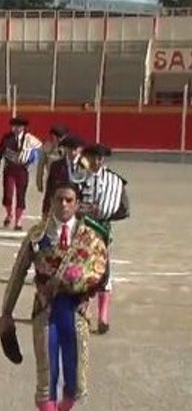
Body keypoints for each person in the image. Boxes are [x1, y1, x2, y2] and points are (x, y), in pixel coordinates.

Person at [0, 181, 109, 411]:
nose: (63, 205)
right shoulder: (36, 236)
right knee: (46, 379)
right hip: (45, 314)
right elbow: (17, 274)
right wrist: (6, 313)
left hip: (76, 314)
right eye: (59, 199)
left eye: (69, 200)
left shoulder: (92, 238)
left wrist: (76, 282)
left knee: (76, 381)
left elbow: (100, 272)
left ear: (77, 203)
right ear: (51, 202)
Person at [77, 143, 130, 334]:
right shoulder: (78, 177)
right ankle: (86, 311)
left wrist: (107, 213)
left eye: (100, 158)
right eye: (94, 157)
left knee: (103, 270)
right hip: (81, 229)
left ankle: (103, 317)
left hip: (101, 229)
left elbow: (124, 209)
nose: (97, 161)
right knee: (82, 269)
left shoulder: (114, 181)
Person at [0, 116, 42, 230]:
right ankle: (9, 214)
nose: (16, 129)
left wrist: (32, 159)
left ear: (23, 127)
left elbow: (39, 150)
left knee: (21, 195)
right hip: (9, 169)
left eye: (19, 126)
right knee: (8, 195)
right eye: (14, 126)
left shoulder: (29, 139)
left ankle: (18, 221)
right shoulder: (6, 138)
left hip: (22, 170)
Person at [40, 131, 83, 218]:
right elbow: (50, 188)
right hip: (60, 204)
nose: (72, 152)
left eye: (75, 149)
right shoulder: (56, 166)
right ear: (66, 149)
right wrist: (45, 208)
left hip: (79, 206)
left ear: (80, 149)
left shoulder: (85, 167)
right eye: (70, 149)